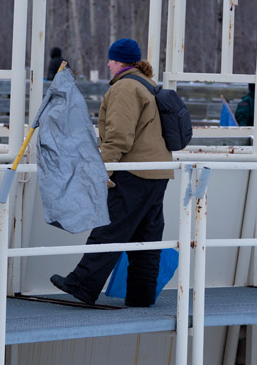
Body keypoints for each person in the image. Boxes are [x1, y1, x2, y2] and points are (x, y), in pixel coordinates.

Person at [50, 38, 173, 306]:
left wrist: (99, 169)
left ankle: (82, 285)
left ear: (119, 61)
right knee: (146, 238)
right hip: (157, 171)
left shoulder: (126, 88)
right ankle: (142, 295)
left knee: (108, 229)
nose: (107, 64)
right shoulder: (148, 84)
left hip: (134, 172)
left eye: (110, 59)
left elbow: (118, 137)